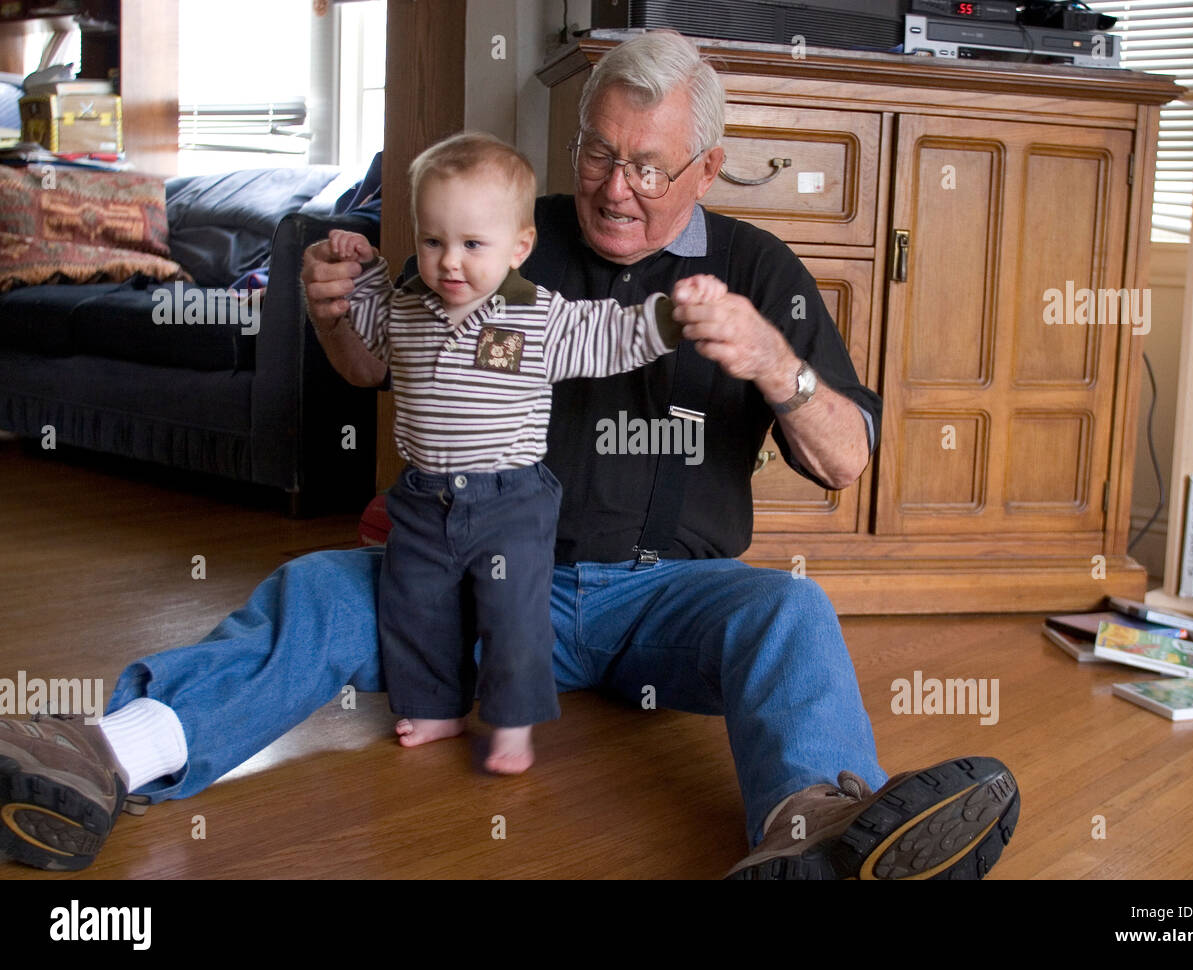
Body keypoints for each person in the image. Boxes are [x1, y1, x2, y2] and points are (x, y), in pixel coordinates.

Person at [0, 30, 1019, 878]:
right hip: (472, 579)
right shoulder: (492, 232)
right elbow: (371, 367)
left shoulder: (756, 266)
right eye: (596, 153)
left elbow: (845, 459)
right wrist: (329, 316)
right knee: (320, 590)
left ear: (707, 168)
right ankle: (105, 758)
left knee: (788, 609)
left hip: (663, 601)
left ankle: (815, 831)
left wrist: (772, 362)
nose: (616, 188)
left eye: (650, 165)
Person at [321, 131, 724, 773]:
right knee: (414, 606)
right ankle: (436, 706)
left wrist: (668, 319)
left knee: (512, 614)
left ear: (519, 247)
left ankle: (512, 722)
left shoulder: (538, 317)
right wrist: (358, 261)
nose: (450, 262)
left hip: (510, 501)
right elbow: (362, 316)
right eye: (433, 242)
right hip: (424, 497)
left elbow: (608, 334)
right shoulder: (407, 308)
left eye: (473, 245)